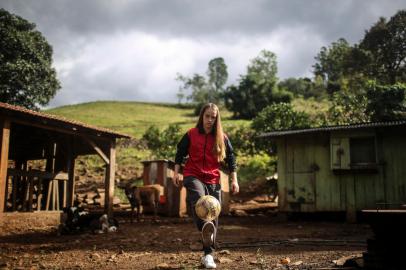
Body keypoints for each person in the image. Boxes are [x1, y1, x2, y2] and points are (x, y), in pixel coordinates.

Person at [172, 103, 239, 269]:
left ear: (217, 119)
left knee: (214, 211)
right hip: (193, 174)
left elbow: (231, 158)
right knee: (200, 200)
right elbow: (180, 151)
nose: (210, 120)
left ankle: (208, 254)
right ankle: (205, 227)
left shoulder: (222, 137)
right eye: (207, 116)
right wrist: (176, 171)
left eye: (213, 117)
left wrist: (234, 179)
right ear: (202, 116)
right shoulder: (191, 134)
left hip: (213, 177)